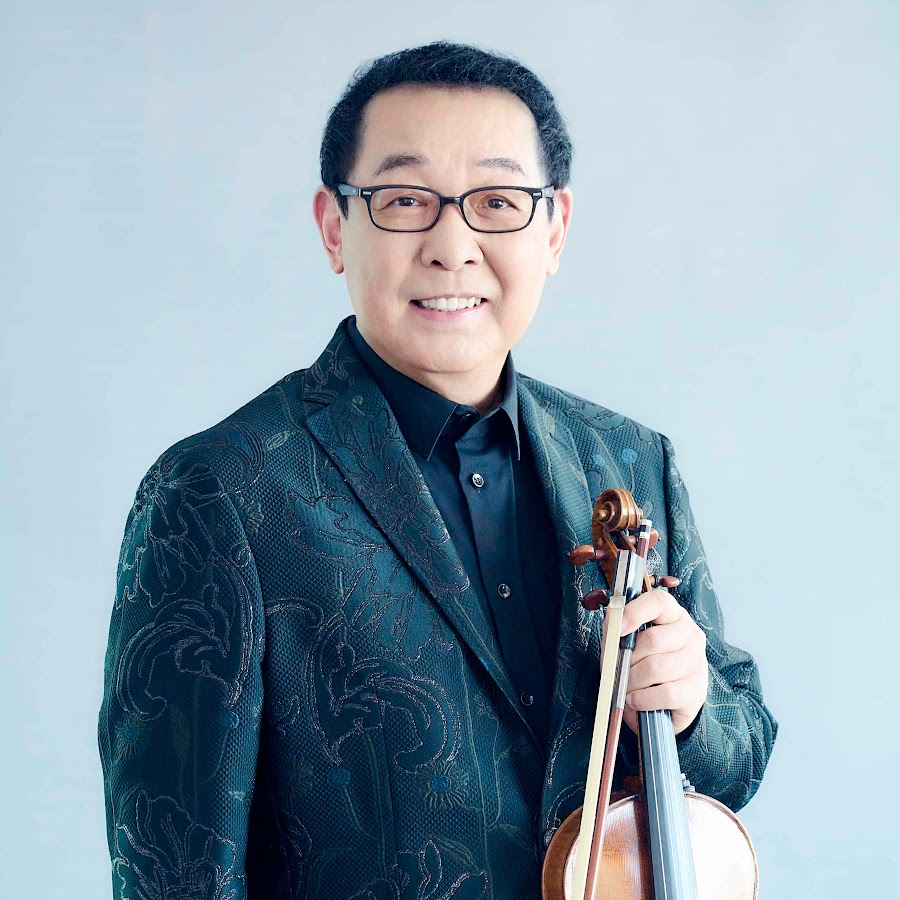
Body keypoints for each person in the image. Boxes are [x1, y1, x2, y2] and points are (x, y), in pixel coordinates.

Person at [98, 41, 776, 900]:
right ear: (334, 227)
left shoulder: (631, 459)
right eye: (405, 201)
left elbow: (738, 753)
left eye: (497, 202)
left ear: (554, 229)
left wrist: (694, 703)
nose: (452, 246)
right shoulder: (220, 491)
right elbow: (175, 870)